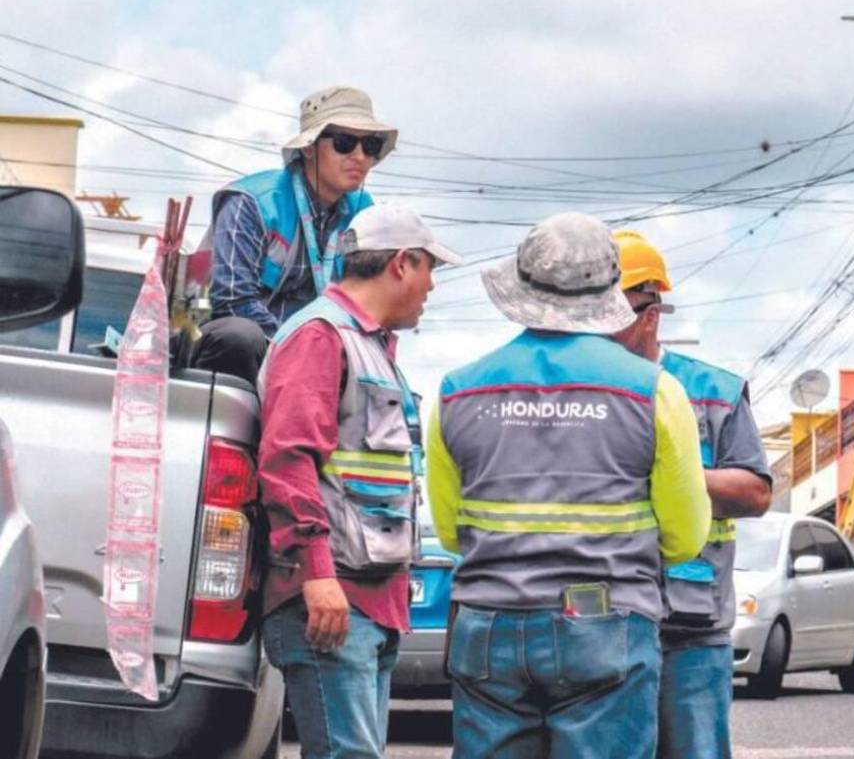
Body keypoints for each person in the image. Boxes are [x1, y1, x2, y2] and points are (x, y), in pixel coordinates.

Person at [425, 212, 712, 759]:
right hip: (606, 628)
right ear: (611, 291)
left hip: (489, 629)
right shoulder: (655, 391)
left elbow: (451, 532)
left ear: (522, 287)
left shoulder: (453, 393)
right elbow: (684, 537)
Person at [256, 204, 462, 759]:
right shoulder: (321, 337)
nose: (432, 287)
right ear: (401, 264)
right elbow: (288, 460)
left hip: (368, 600)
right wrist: (316, 573)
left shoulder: (367, 345)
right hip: (331, 598)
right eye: (429, 270)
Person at [611, 230, 771, 759]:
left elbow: (754, 491)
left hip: (689, 626)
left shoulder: (711, 391)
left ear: (650, 314)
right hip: (600, 620)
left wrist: (671, 475)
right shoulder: (586, 390)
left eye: (612, 313)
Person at [192, 86, 399, 384]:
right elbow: (232, 301)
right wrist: (302, 349)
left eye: (370, 145)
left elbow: (366, 302)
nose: (360, 156)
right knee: (240, 336)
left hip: (315, 351)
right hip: (242, 345)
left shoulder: (364, 214)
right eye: (344, 142)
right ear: (309, 148)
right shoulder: (251, 201)